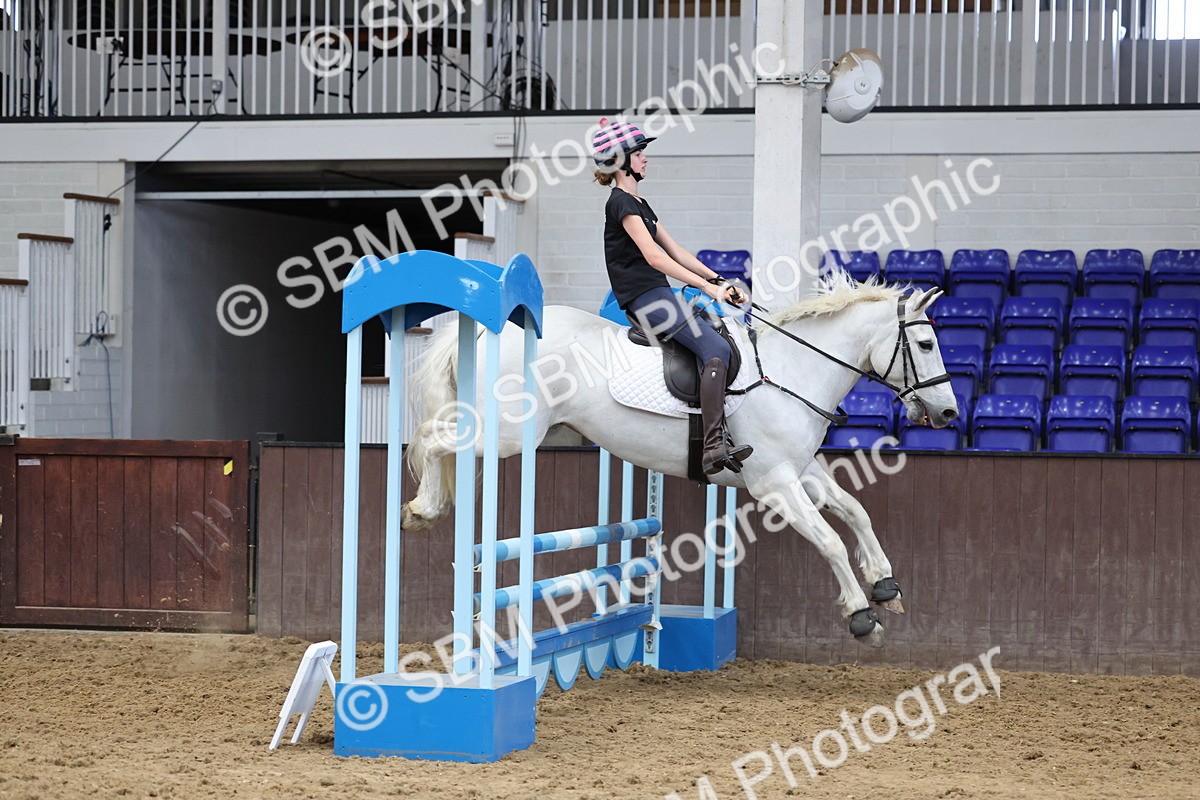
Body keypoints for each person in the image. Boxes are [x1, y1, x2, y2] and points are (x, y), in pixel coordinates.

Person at [591, 117, 753, 476]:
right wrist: (707, 289)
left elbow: (677, 252)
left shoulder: (641, 204)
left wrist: (719, 280)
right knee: (717, 350)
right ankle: (713, 446)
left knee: (722, 340)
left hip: (659, 292)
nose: (646, 158)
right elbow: (654, 257)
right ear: (622, 160)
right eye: (640, 153)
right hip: (646, 298)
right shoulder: (620, 204)